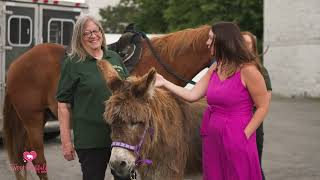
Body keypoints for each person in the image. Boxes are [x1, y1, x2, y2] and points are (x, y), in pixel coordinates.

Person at [155, 22, 269, 180]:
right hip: (212, 134)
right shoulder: (216, 67)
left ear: (223, 41)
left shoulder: (249, 70)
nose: (207, 43)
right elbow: (192, 95)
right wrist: (164, 83)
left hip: (237, 134)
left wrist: (245, 134)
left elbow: (263, 106)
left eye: (211, 39)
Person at [56, 14, 128, 180]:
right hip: (91, 140)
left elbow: (128, 94)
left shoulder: (114, 58)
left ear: (101, 33)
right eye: (86, 33)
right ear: (79, 38)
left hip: (121, 138)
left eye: (96, 31)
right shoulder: (73, 63)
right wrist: (66, 142)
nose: (93, 35)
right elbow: (63, 105)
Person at [242, 31, 272, 180]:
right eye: (240, 43)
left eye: (247, 44)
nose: (243, 47)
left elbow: (265, 104)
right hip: (233, 125)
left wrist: (247, 131)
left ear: (253, 48)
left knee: (254, 168)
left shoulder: (260, 71)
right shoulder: (231, 69)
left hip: (253, 125)